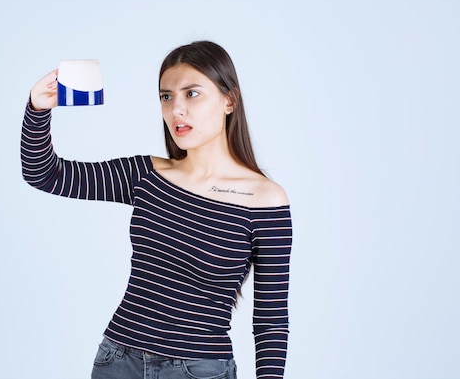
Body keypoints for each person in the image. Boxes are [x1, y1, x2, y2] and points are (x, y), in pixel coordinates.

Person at [21, 41, 292, 379]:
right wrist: (38, 108)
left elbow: (271, 319)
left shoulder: (265, 200)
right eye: (167, 96)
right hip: (118, 360)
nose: (177, 109)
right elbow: (45, 174)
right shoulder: (146, 175)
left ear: (229, 100)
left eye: (191, 94)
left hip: (199, 370)